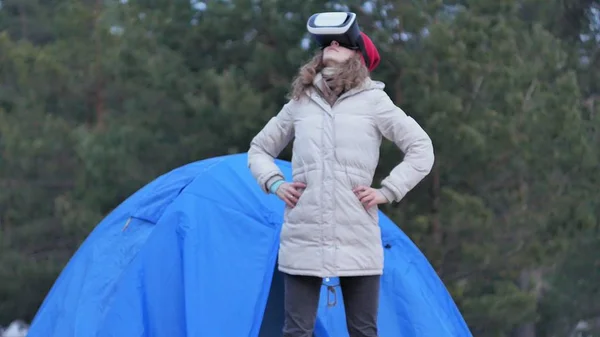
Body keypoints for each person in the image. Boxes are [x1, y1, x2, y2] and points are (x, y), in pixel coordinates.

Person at [247, 12, 435, 337]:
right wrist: (275, 183)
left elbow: (421, 148)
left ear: (359, 55)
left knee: (363, 331)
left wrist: (387, 191)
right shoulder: (299, 103)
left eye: (342, 42)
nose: (332, 45)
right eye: (327, 42)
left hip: (358, 235)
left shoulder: (375, 101)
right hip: (303, 235)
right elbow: (259, 150)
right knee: (296, 331)